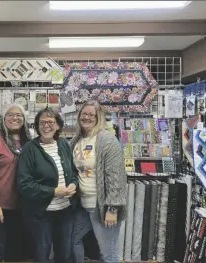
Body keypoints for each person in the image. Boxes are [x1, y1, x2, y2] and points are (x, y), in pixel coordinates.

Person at [17, 107, 79, 263]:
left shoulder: (64, 144)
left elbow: (73, 173)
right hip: (41, 214)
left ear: (58, 125)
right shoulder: (29, 149)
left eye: (50, 122)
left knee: (64, 253)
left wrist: (74, 185)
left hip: (65, 211)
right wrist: (53, 192)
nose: (46, 126)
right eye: (42, 122)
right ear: (37, 126)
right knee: (42, 253)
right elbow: (24, 185)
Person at [70, 100, 127, 263]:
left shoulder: (106, 140)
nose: (87, 117)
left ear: (98, 118)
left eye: (91, 115)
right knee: (72, 239)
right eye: (84, 113)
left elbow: (116, 177)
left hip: (101, 206)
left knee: (108, 253)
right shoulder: (77, 140)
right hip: (83, 204)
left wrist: (112, 209)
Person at [0, 104, 32, 262]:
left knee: (16, 251)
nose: (15, 118)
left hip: (19, 205)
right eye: (10, 114)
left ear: (24, 120)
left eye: (19, 115)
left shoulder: (28, 141)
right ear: (4, 119)